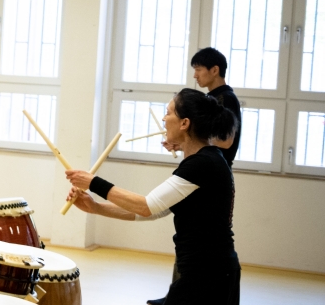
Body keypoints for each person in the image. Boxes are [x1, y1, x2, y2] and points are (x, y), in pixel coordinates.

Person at [67, 88, 240, 305]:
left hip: (208, 274)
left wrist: (93, 182)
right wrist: (96, 208)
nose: (164, 118)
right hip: (209, 271)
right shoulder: (205, 160)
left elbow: (146, 206)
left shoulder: (202, 164)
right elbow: (154, 212)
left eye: (168, 112)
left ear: (184, 123)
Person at [147, 47, 242, 305]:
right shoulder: (212, 98)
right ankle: (176, 292)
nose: (196, 76)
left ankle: (180, 292)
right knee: (189, 235)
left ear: (215, 70)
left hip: (211, 174)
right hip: (207, 168)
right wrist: (181, 142)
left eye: (199, 70)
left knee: (199, 239)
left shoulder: (225, 98)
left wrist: (189, 140)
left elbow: (227, 139)